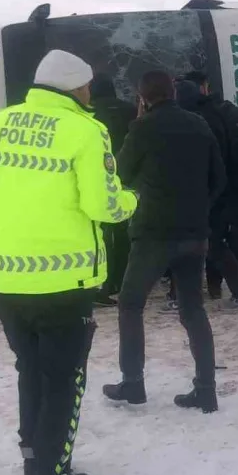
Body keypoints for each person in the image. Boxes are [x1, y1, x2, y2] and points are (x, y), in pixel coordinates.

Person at [0, 49, 138, 475]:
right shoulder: (86, 130)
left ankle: (32, 458)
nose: (89, 93)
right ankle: (52, 474)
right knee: (64, 381)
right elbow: (102, 205)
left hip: (7, 277)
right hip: (66, 281)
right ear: (75, 87)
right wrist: (132, 200)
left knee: (29, 370)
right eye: (85, 86)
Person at [103, 70, 226, 414]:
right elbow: (220, 178)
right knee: (193, 308)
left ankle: (133, 382)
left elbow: (121, 175)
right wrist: (199, 208)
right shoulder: (199, 124)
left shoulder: (142, 128)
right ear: (172, 91)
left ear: (142, 97)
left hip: (153, 233)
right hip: (194, 232)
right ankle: (206, 389)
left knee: (130, 303)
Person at [174, 78, 238, 308]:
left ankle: (235, 291)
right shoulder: (214, 115)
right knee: (209, 242)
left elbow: (207, 161)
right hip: (216, 191)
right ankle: (226, 289)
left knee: (206, 243)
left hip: (204, 193)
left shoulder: (196, 122)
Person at [89, 75, 138, 307]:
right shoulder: (129, 110)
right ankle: (123, 277)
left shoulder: (87, 114)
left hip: (97, 178)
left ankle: (104, 282)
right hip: (126, 176)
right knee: (124, 229)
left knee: (100, 233)